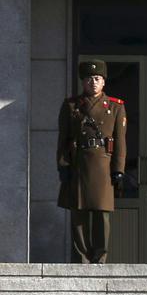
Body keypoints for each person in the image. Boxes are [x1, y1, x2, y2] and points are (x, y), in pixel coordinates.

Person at [57, 60, 127, 263]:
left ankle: (100, 256)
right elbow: (63, 138)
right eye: (89, 79)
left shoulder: (115, 106)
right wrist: (63, 165)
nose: (93, 82)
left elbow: (120, 141)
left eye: (97, 78)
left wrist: (118, 169)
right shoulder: (71, 105)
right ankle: (81, 257)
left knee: (101, 212)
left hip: (103, 164)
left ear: (104, 82)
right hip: (78, 163)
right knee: (78, 213)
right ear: (83, 82)